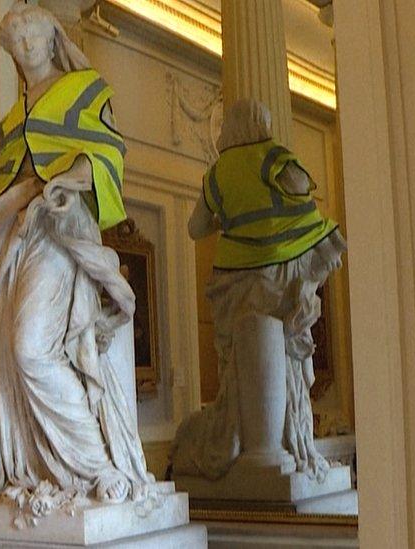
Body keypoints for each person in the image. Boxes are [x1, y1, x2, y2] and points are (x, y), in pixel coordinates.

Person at [0, 3, 152, 514]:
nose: (25, 51)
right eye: (15, 45)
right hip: (15, 233)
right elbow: (9, 182)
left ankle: (96, 465)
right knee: (10, 361)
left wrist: (69, 180)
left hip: (59, 227)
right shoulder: (15, 115)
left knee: (31, 348)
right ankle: (43, 472)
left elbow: (108, 155)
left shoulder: (85, 89)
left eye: (32, 40)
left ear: (51, 40)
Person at [170, 99, 347, 481]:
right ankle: (285, 442)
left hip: (237, 274)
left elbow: (195, 228)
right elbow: (300, 186)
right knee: (286, 355)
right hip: (283, 265)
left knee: (244, 361)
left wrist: (226, 218)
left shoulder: (218, 172)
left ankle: (267, 445)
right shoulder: (273, 155)